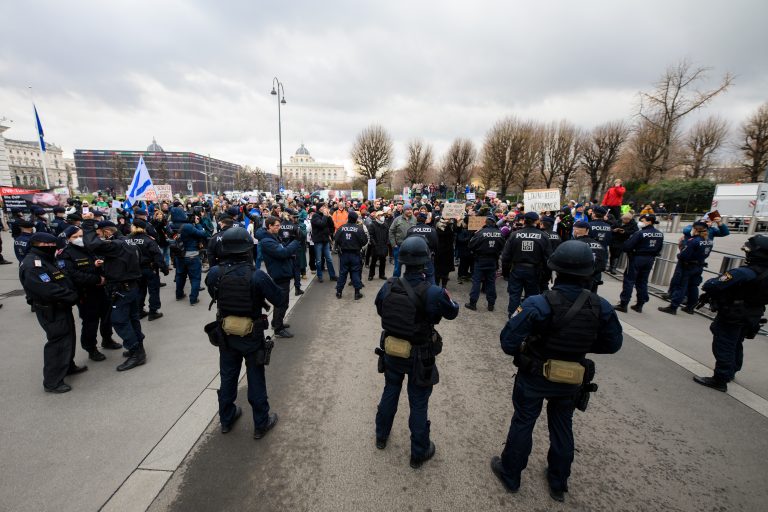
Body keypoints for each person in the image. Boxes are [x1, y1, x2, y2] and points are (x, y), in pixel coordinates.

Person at [491, 241, 622, 501]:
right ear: (589, 273)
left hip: (534, 375)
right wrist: (579, 346)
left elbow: (508, 343)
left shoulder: (537, 303)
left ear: (554, 271)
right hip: (571, 376)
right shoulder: (601, 306)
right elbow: (613, 344)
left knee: (523, 422)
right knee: (562, 426)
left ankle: (511, 474)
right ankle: (558, 481)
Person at [374, 236, 459, 468]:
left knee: (390, 391)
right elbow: (452, 313)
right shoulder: (433, 291)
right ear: (426, 261)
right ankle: (418, 452)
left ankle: (381, 436)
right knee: (418, 403)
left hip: (393, 350)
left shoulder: (389, 285)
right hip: (420, 355)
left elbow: (380, 308)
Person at [205, 227, 284, 438]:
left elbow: (213, 290)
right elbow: (280, 300)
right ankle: (260, 423)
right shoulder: (257, 275)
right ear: (248, 249)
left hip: (226, 333)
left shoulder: (215, 273)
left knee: (228, 376)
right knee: (255, 378)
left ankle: (226, 419)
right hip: (252, 333)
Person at [692, 235, 768, 392]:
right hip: (753, 314)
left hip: (734, 313)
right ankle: (731, 370)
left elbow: (712, 285)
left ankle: (720, 379)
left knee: (724, 343)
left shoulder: (744, 272)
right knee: (736, 342)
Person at [20, 232, 85, 393]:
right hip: (51, 309)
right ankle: (52, 381)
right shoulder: (33, 265)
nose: (55, 249)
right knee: (58, 342)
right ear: (44, 246)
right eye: (53, 246)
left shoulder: (45, 259)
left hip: (60, 306)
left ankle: (67, 366)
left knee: (68, 337)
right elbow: (47, 290)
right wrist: (73, 296)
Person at [81, 214, 147, 371]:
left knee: (119, 321)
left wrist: (89, 224)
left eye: (100, 235)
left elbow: (92, 245)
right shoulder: (127, 242)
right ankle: (139, 347)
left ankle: (135, 352)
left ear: (107, 232)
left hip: (121, 289)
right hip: (130, 286)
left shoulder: (116, 245)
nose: (100, 238)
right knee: (132, 319)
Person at [59, 226, 121, 362]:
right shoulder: (66, 254)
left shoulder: (90, 248)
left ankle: (107, 339)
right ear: (68, 239)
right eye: (75, 237)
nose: (79, 239)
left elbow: (100, 262)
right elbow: (72, 275)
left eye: (81, 235)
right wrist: (97, 279)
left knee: (106, 317)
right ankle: (91, 348)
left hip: (102, 290)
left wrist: (99, 267)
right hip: (86, 293)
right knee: (90, 322)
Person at [501, 212, 552, 318]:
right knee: (531, 296)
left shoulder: (515, 235)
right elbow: (548, 258)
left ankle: (514, 316)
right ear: (537, 221)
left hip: (517, 270)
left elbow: (505, 256)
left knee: (515, 295)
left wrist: (506, 273)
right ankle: (527, 316)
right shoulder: (543, 236)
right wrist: (546, 275)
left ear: (524, 220)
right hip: (533, 271)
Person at [258, 216, 301, 338]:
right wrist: (295, 241)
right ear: (270, 226)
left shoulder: (273, 237)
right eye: (277, 225)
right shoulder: (267, 241)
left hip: (282, 272)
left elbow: (283, 249)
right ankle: (278, 329)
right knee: (282, 302)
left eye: (279, 225)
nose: (279, 227)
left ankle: (275, 322)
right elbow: (282, 253)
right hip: (279, 274)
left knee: (281, 301)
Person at [658, 221, 713, 315]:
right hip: (699, 265)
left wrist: (679, 254)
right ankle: (690, 307)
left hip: (687, 266)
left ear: (696, 230)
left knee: (681, 286)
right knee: (693, 286)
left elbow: (684, 255)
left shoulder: (694, 241)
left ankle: (673, 307)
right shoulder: (709, 241)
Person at [614, 214, 664, 313]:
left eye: (643, 220)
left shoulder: (640, 233)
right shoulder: (659, 234)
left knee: (629, 280)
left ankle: (623, 304)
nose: (640, 222)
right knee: (642, 281)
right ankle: (640, 304)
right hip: (650, 259)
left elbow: (627, 246)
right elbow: (659, 248)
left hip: (636, 258)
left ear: (649, 222)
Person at [126, 219, 169, 320]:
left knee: (140, 290)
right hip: (150, 268)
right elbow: (157, 255)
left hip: (135, 269)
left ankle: (139, 310)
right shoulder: (148, 240)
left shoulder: (127, 239)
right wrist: (164, 268)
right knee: (153, 290)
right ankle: (153, 311)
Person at [170, 206, 208, 305]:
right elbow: (202, 234)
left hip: (179, 254)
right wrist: (198, 224)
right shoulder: (188, 226)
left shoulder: (171, 225)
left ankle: (179, 294)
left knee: (180, 275)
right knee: (195, 277)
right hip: (192, 255)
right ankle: (193, 299)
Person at [465, 216, 504, 311]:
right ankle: (491, 304)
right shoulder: (499, 233)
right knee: (491, 282)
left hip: (480, 260)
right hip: (493, 260)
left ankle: (473, 303)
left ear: (485, 223)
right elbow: (503, 246)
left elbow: (471, 245)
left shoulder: (480, 233)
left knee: (476, 281)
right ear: (494, 223)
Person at [334, 210, 368, 300]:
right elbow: (364, 241)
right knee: (355, 272)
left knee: (342, 273)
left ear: (348, 218)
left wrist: (340, 245)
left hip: (344, 254)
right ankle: (357, 293)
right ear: (356, 219)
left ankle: (339, 292)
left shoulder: (341, 228)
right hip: (355, 254)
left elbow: (336, 239)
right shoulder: (359, 229)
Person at [572, 221, 607, 293]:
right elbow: (603, 264)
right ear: (588, 230)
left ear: (575, 231)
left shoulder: (574, 244)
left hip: (578, 278)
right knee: (591, 299)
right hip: (594, 278)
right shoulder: (599, 245)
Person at [405, 212, 438, 284]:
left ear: (417, 220)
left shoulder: (411, 230)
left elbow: (406, 244)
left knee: (413, 277)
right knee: (430, 277)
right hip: (427, 257)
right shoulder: (432, 230)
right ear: (426, 220)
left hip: (413, 258)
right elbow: (436, 244)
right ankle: (431, 293)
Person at [310, 204, 337, 283]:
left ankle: (332, 276)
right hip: (318, 241)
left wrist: (329, 217)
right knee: (318, 260)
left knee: (329, 259)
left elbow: (331, 226)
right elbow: (321, 224)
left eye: (325, 207)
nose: (324, 208)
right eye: (322, 207)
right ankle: (320, 276)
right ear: (319, 208)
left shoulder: (326, 216)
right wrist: (325, 216)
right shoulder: (315, 216)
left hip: (325, 240)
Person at [388, 205, 416, 278]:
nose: (410, 211)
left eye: (411, 209)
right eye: (408, 209)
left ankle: (409, 282)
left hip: (411, 247)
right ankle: (395, 282)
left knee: (410, 266)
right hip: (399, 247)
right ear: (403, 210)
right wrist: (394, 244)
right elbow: (391, 231)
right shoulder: (397, 219)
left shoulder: (414, 219)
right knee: (397, 266)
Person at [367, 211, 389, 281]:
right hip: (375, 246)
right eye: (380, 215)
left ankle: (381, 274)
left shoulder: (385, 225)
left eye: (383, 215)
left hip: (383, 246)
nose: (382, 216)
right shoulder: (372, 224)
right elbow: (370, 235)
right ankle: (371, 275)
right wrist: (374, 244)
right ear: (377, 216)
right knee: (373, 261)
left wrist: (386, 243)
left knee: (383, 261)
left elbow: (387, 235)